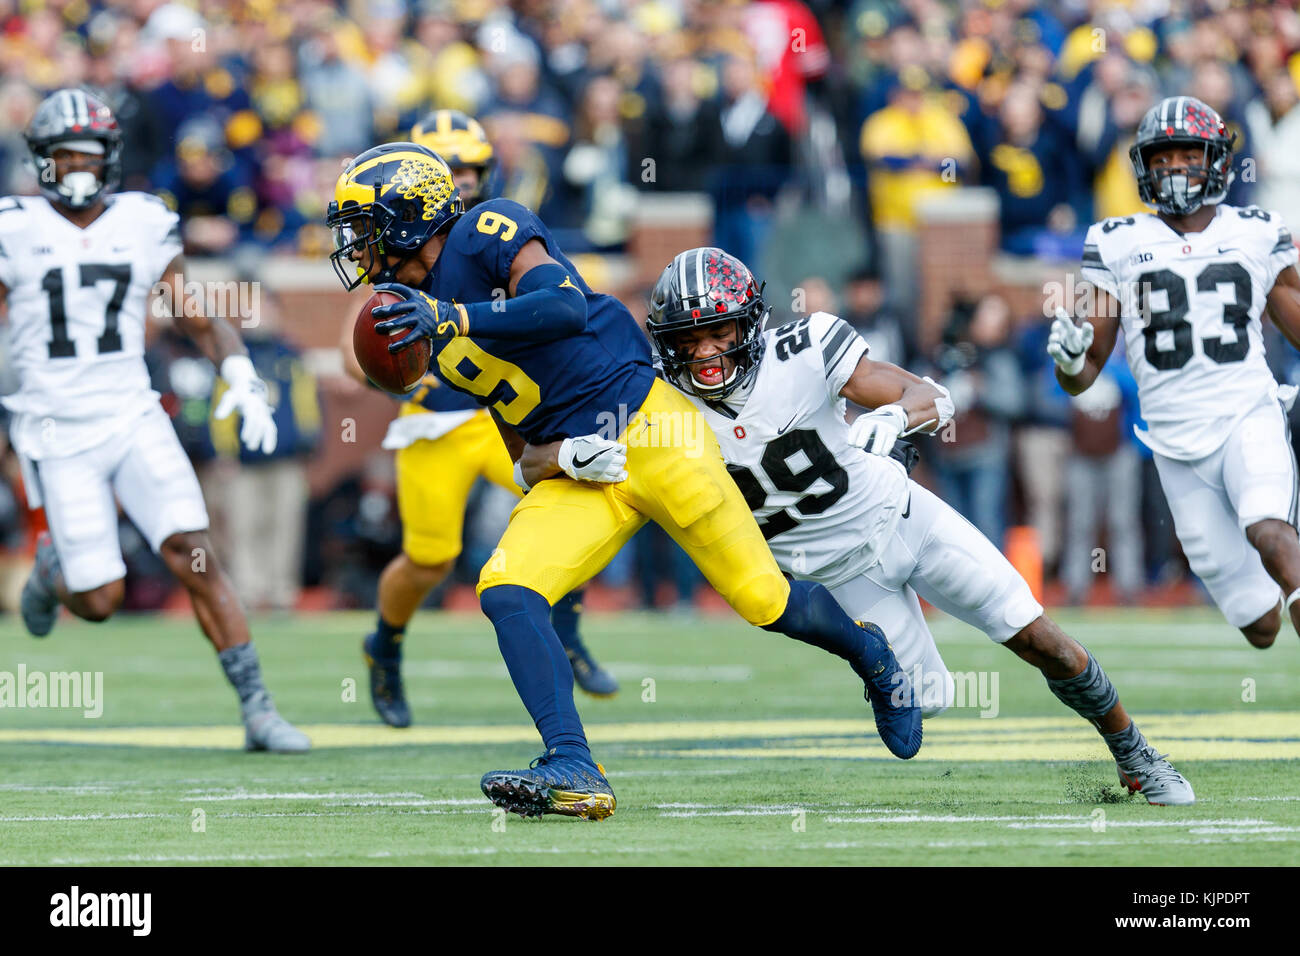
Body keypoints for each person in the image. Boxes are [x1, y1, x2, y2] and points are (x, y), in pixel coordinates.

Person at [326, 142, 922, 820]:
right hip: (586, 467)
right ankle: (573, 763)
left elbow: (564, 307)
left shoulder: (487, 230)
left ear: (408, 216)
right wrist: (564, 459)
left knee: (764, 600)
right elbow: (522, 455)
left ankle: (869, 651)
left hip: (650, 427)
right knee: (507, 590)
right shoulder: (423, 319)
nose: (356, 246)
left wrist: (458, 316)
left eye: (363, 225)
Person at [523, 247, 1194, 807]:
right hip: (840, 578)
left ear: (750, 323)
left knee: (1040, 638)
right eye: (687, 339)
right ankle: (877, 665)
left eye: (718, 332)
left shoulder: (806, 347)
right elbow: (530, 462)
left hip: (905, 519)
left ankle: (1136, 753)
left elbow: (931, 394)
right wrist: (569, 455)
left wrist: (895, 418)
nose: (704, 352)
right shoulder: (656, 411)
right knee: (927, 705)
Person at [0, 89, 308, 752]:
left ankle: (258, 707)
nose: (78, 165)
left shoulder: (142, 219)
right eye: (65, 153)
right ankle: (55, 572)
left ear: (112, 157)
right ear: (43, 160)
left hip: (133, 414)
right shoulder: (13, 225)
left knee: (194, 554)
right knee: (101, 601)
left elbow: (194, 313)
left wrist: (240, 375)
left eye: (90, 152)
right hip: (56, 428)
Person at [338, 110, 617, 728]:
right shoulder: (401, 260)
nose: (461, 180)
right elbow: (353, 353)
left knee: (566, 503)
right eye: (450, 168)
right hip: (437, 421)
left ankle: (567, 634)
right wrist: (405, 360)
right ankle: (384, 643)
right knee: (430, 560)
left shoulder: (491, 236)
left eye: (468, 168)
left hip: (506, 417)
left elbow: (556, 305)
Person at [1051, 95, 1300, 651]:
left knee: (1271, 534)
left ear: (1216, 160)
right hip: (1173, 446)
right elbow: (1085, 373)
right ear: (1143, 165)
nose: (1176, 167)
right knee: (1259, 626)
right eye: (1163, 157)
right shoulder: (1116, 239)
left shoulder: (1258, 229)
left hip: (1247, 416)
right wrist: (1069, 360)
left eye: (1189, 154)